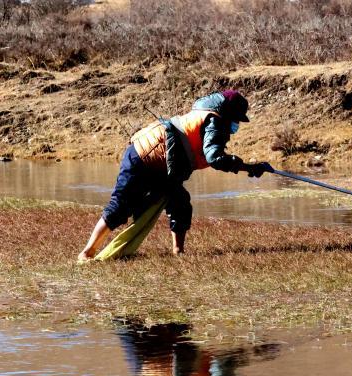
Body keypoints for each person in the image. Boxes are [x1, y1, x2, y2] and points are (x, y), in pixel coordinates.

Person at [77, 90, 271, 261]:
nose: (235, 126)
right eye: (235, 120)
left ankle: (178, 252)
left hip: (159, 164)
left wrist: (249, 167)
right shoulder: (215, 121)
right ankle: (87, 253)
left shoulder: (207, 116)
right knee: (119, 207)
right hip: (144, 157)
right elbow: (214, 158)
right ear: (227, 114)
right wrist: (247, 167)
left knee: (180, 203)